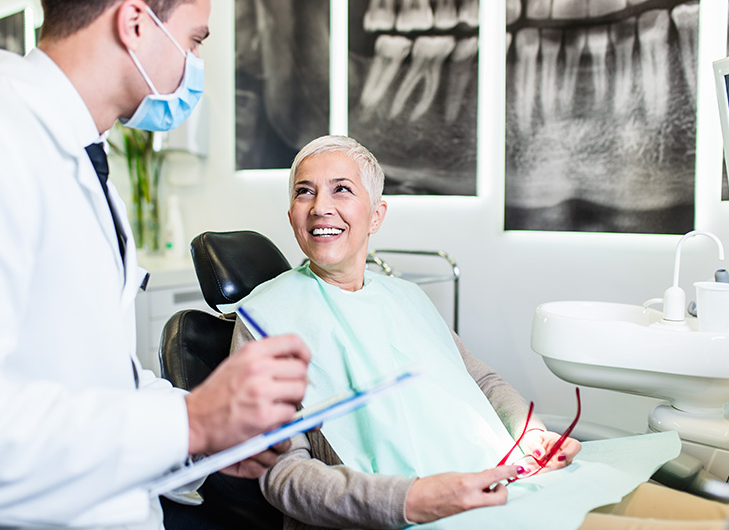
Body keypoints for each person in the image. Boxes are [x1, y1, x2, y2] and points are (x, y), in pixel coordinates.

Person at [0, 0, 310, 529]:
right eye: (194, 39)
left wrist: (206, 443)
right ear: (136, 23)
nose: (193, 65)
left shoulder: (82, 158)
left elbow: (104, 380)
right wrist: (189, 423)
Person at [229, 135, 729, 530]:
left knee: (714, 517)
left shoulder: (404, 297)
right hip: (415, 515)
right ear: (291, 212)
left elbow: (482, 383)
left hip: (508, 483)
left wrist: (528, 433)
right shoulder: (266, 318)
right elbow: (284, 476)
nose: (320, 207)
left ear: (376, 214)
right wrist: (413, 499)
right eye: (304, 191)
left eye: (342, 189)